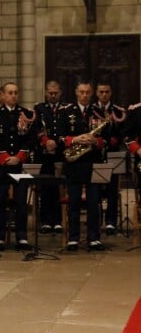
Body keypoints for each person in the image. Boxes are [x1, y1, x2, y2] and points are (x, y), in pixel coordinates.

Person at [0, 82, 38, 251]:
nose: (14, 95)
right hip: (1, 165)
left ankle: (21, 236)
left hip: (20, 165)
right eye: (10, 93)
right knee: (0, 201)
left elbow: (32, 138)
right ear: (3, 95)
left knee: (21, 201)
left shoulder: (27, 114)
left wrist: (20, 156)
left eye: (16, 92)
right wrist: (4, 156)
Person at [58, 80, 109, 251]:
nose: (85, 95)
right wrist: (74, 139)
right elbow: (58, 137)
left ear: (92, 93)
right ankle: (73, 238)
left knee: (94, 202)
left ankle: (94, 238)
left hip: (93, 162)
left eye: (88, 92)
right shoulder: (65, 112)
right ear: (76, 92)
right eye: (82, 92)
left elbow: (109, 138)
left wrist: (96, 140)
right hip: (74, 163)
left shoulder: (99, 112)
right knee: (74, 202)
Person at [93, 81, 127, 235]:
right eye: (101, 92)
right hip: (96, 154)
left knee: (113, 190)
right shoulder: (91, 110)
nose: (104, 94)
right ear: (97, 93)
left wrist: (117, 139)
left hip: (113, 155)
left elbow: (125, 130)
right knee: (96, 190)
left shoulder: (118, 111)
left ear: (111, 93)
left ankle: (111, 222)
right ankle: (96, 220)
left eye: (107, 91)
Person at [34, 80, 64, 234]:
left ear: (60, 92)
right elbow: (36, 128)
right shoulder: (39, 108)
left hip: (60, 153)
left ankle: (58, 220)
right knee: (45, 187)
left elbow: (66, 128)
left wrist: (56, 142)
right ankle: (45, 221)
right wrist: (45, 141)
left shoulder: (66, 108)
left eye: (55, 93)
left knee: (58, 187)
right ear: (46, 93)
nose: (53, 95)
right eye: (50, 93)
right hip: (44, 154)